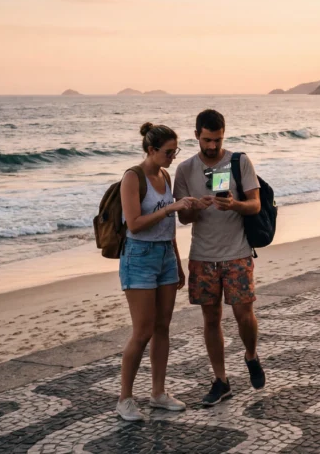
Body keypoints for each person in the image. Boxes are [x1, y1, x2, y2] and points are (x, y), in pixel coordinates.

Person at [174, 109, 265, 406]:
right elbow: (184, 219)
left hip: (237, 253)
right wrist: (194, 207)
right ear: (196, 135)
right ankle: (221, 380)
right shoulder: (185, 170)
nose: (212, 146)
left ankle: (251, 354)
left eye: (218, 140)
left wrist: (234, 205)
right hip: (203, 256)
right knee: (210, 319)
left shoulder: (239, 161)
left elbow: (255, 205)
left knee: (243, 315)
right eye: (207, 140)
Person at [115, 123, 190, 421]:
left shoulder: (165, 175)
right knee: (142, 330)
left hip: (165, 256)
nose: (173, 156)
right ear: (151, 150)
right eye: (168, 152)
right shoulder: (133, 177)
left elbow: (167, 227)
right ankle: (124, 399)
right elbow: (134, 223)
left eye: (176, 151)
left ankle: (158, 393)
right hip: (139, 256)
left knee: (163, 327)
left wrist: (177, 260)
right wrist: (170, 208)